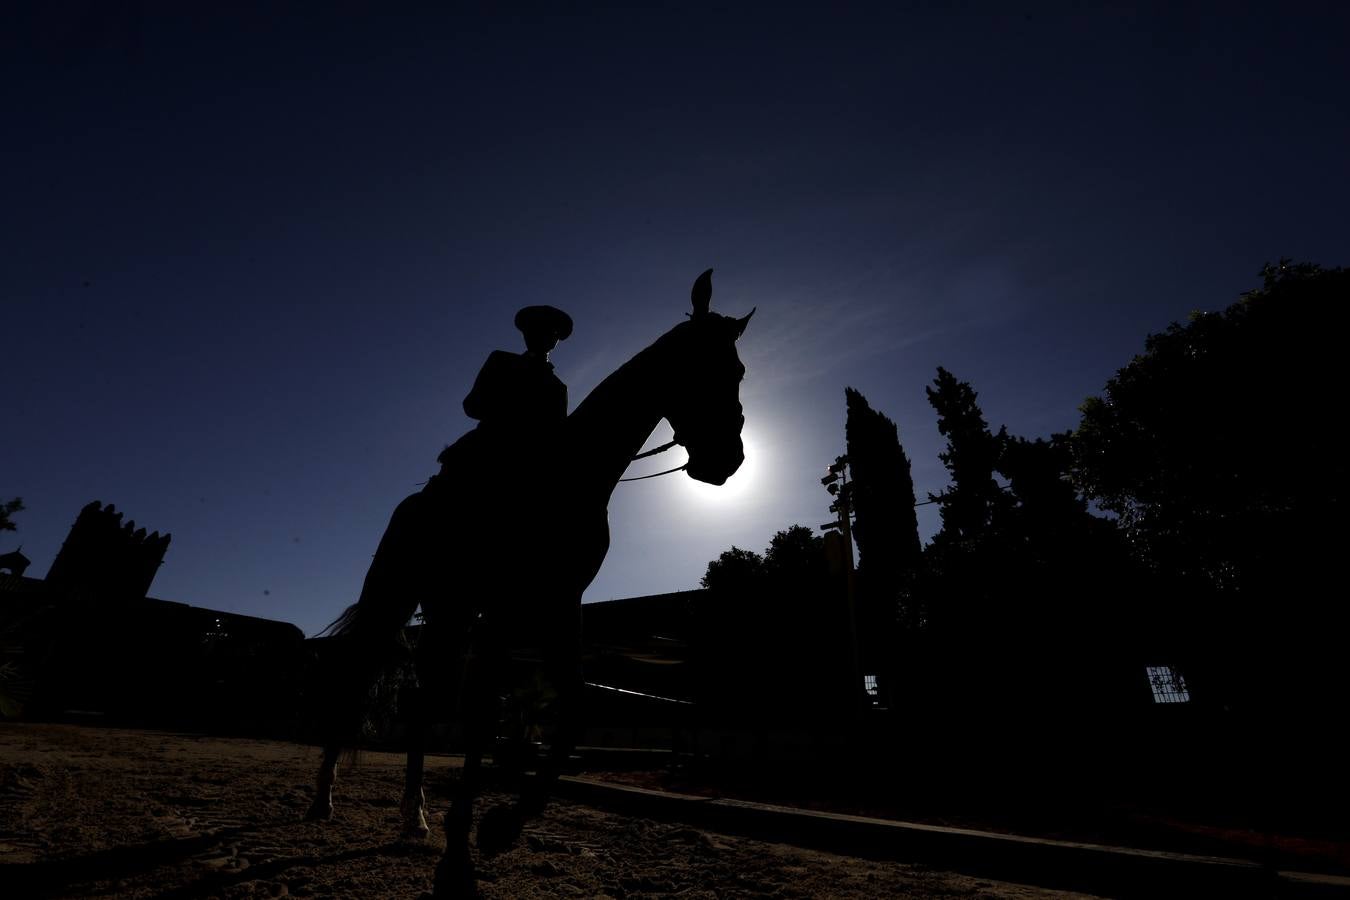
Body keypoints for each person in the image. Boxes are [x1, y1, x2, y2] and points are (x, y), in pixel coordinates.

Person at [435, 305, 573, 474]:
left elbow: (557, 438)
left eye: (547, 331)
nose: (534, 335)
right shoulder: (500, 360)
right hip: (480, 453)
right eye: (531, 329)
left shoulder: (558, 389)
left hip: (526, 464)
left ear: (555, 340)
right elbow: (471, 405)